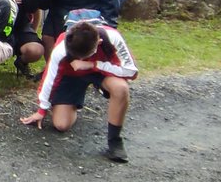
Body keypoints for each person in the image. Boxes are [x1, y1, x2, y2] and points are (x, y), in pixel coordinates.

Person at [20, 19, 138, 163]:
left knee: (121, 89)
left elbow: (131, 72)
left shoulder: (112, 37)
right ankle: (75, 100)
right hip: (71, 75)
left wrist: (93, 64)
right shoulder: (62, 47)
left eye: (85, 55)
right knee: (61, 125)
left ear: (99, 43)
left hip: (100, 71)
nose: (80, 58)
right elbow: (49, 79)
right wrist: (42, 110)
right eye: (76, 55)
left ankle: (115, 141)